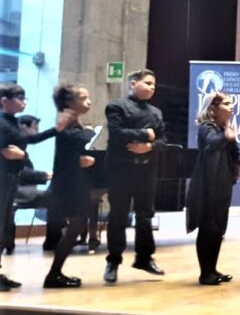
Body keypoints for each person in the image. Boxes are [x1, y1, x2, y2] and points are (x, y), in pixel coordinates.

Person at [0, 83, 71, 291]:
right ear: (4, 101)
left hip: (10, 179)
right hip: (3, 179)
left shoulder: (11, 122)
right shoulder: (3, 123)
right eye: (20, 98)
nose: (24, 102)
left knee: (4, 226)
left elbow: (25, 142)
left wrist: (20, 154)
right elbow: (22, 142)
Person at [103, 69, 167, 284]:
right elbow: (117, 133)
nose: (152, 87)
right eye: (148, 83)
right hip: (120, 170)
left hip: (146, 170)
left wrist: (149, 146)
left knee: (146, 214)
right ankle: (113, 259)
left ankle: (144, 257)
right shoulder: (116, 106)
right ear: (133, 83)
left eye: (154, 85)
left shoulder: (156, 112)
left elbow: (163, 140)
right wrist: (145, 134)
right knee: (118, 215)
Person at [186, 91, 240, 285]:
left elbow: (235, 152)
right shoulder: (207, 127)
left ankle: (213, 270)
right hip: (206, 186)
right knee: (208, 228)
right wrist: (226, 137)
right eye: (227, 103)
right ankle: (205, 273)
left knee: (218, 229)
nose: (231, 107)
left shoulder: (225, 128)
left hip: (222, 184)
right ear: (213, 108)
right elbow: (213, 143)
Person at [44, 84, 97, 288]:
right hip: (68, 184)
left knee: (77, 225)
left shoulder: (72, 123)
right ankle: (54, 273)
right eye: (83, 98)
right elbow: (76, 139)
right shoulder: (66, 123)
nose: (88, 102)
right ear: (69, 102)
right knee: (76, 224)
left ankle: (55, 272)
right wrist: (90, 132)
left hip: (72, 181)